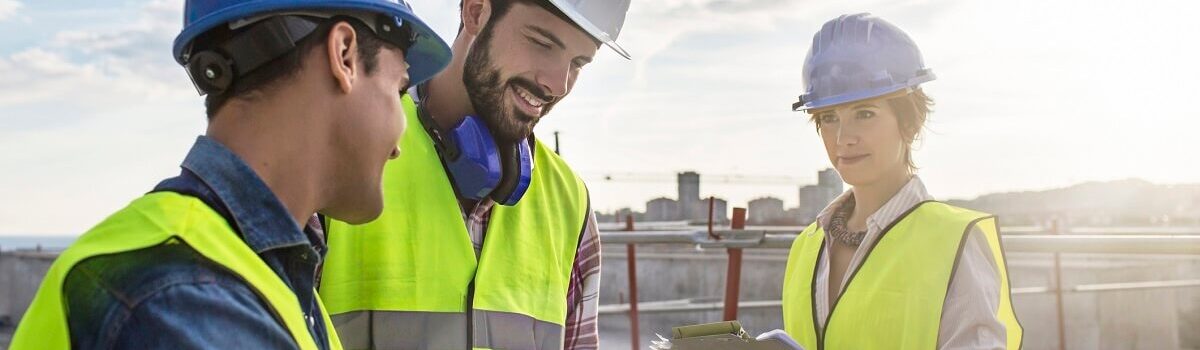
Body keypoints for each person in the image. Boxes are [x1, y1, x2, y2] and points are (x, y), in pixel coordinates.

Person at [8, 0, 451, 348]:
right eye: (399, 89)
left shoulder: (269, 279)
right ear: (345, 55)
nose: (399, 142)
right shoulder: (180, 296)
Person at [318, 0, 631, 348]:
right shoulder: (345, 151)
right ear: (476, 11)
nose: (557, 84)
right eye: (542, 43)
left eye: (578, 63)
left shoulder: (570, 203)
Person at [780, 13, 1023, 349]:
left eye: (864, 113)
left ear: (910, 122)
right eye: (829, 118)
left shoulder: (954, 242)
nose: (843, 138)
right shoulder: (805, 247)